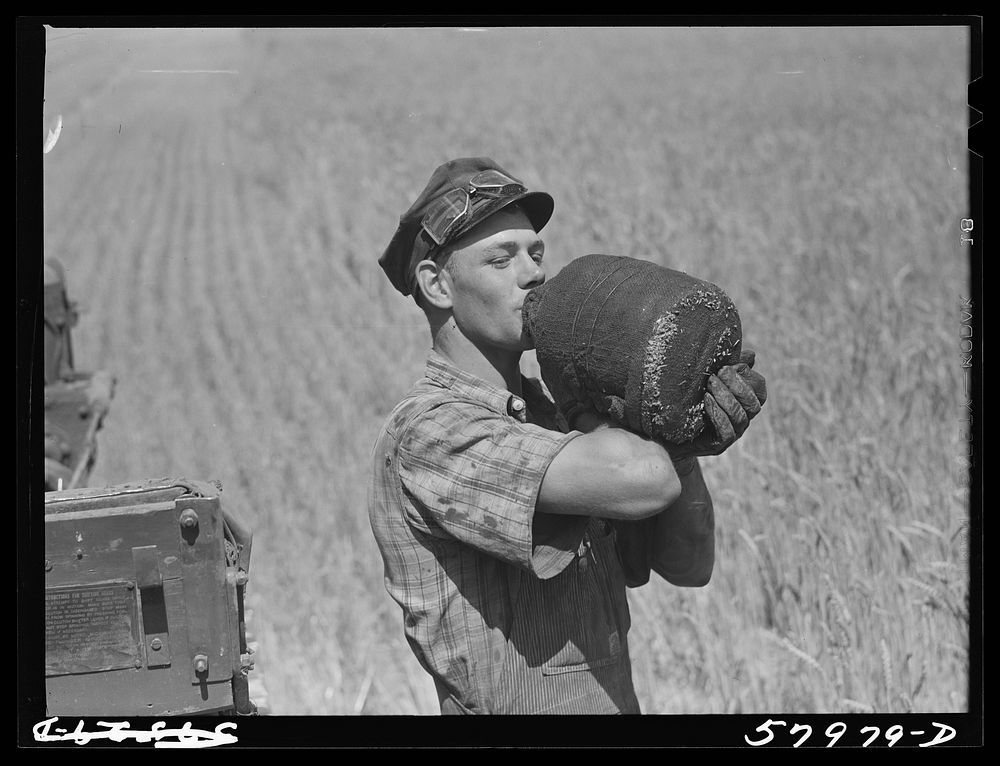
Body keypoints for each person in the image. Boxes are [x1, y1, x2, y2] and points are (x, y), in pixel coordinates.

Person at [368, 157, 766, 714]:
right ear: (437, 285)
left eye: (536, 253)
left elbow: (689, 566)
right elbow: (642, 479)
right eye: (500, 259)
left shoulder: (552, 415)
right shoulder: (432, 432)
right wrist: (657, 417)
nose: (531, 274)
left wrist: (681, 430)